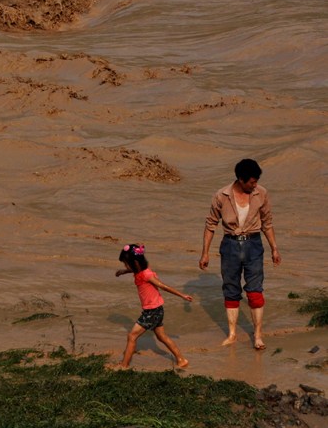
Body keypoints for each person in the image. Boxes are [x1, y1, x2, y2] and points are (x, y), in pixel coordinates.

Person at [199, 158, 280, 350]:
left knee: (255, 290)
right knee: (231, 289)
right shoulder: (222, 195)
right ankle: (232, 334)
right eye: (252, 182)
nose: (255, 185)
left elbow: (267, 223)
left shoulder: (262, 193)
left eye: (256, 181)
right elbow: (210, 225)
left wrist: (274, 248)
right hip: (230, 246)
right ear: (240, 180)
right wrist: (205, 253)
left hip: (254, 245)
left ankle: (258, 335)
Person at [116, 243, 192, 369]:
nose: (125, 266)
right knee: (162, 337)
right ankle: (181, 359)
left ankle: (124, 366)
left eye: (126, 264)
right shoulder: (139, 270)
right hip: (157, 310)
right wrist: (123, 271)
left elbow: (163, 286)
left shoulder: (146, 275)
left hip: (151, 311)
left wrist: (182, 295)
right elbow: (133, 269)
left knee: (132, 336)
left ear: (135, 263)